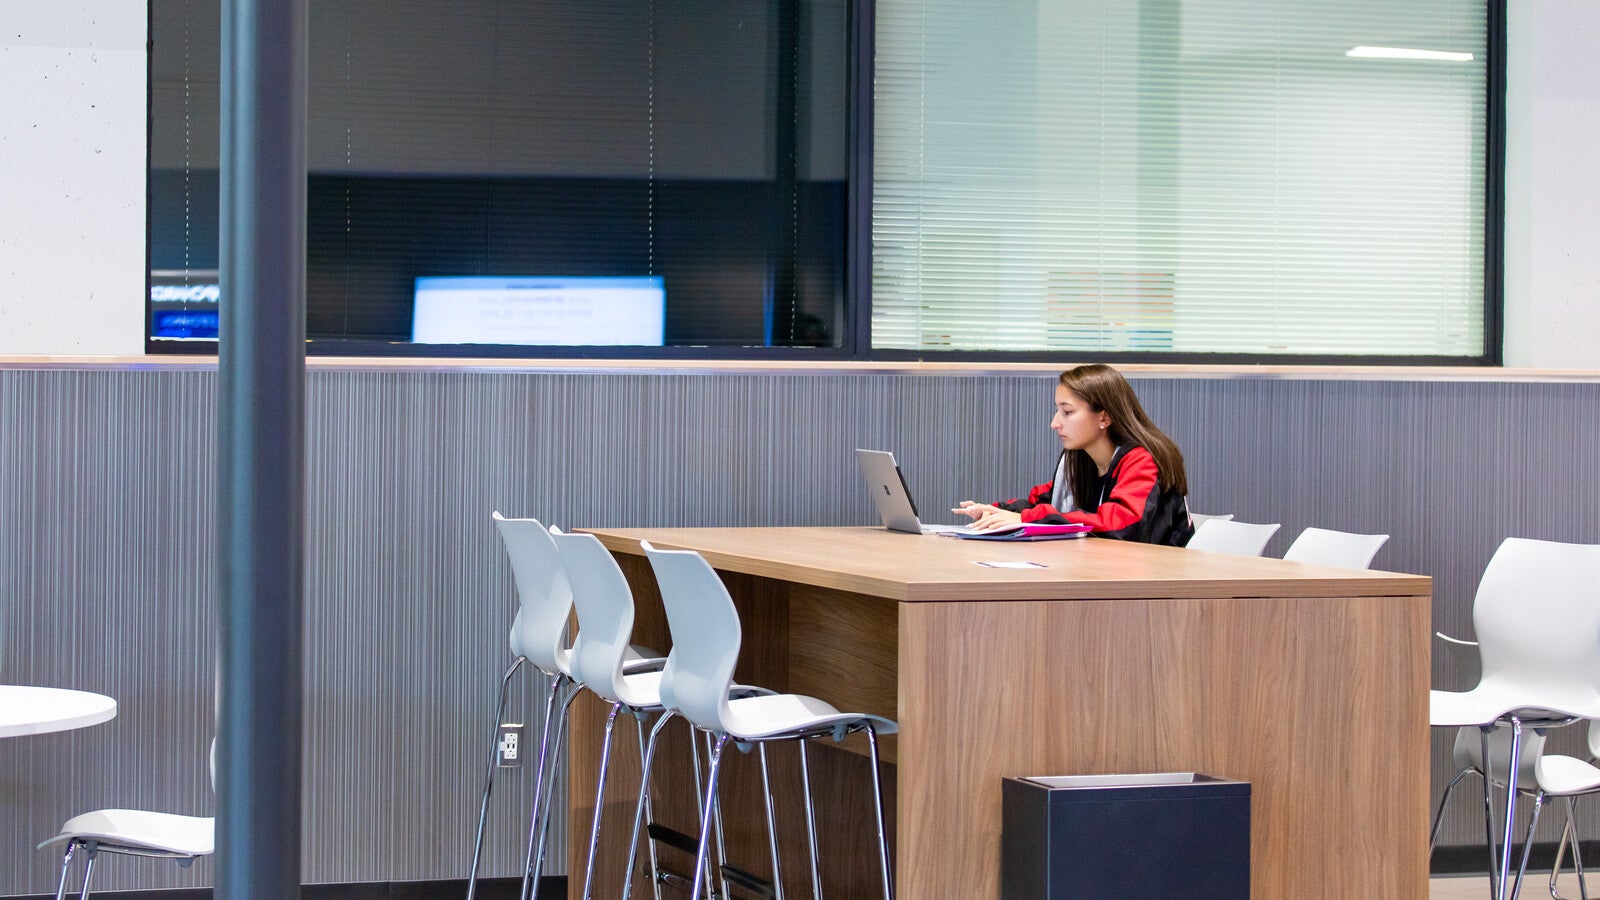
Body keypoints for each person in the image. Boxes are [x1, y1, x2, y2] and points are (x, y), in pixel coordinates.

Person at [953, 363, 1194, 546]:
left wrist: (1029, 518)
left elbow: (1122, 524)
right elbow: (1046, 503)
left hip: (1156, 583)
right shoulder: (1080, 458)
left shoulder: (1141, 460)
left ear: (1104, 417)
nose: (1054, 423)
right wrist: (999, 512)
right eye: (1057, 411)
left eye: (1067, 412)